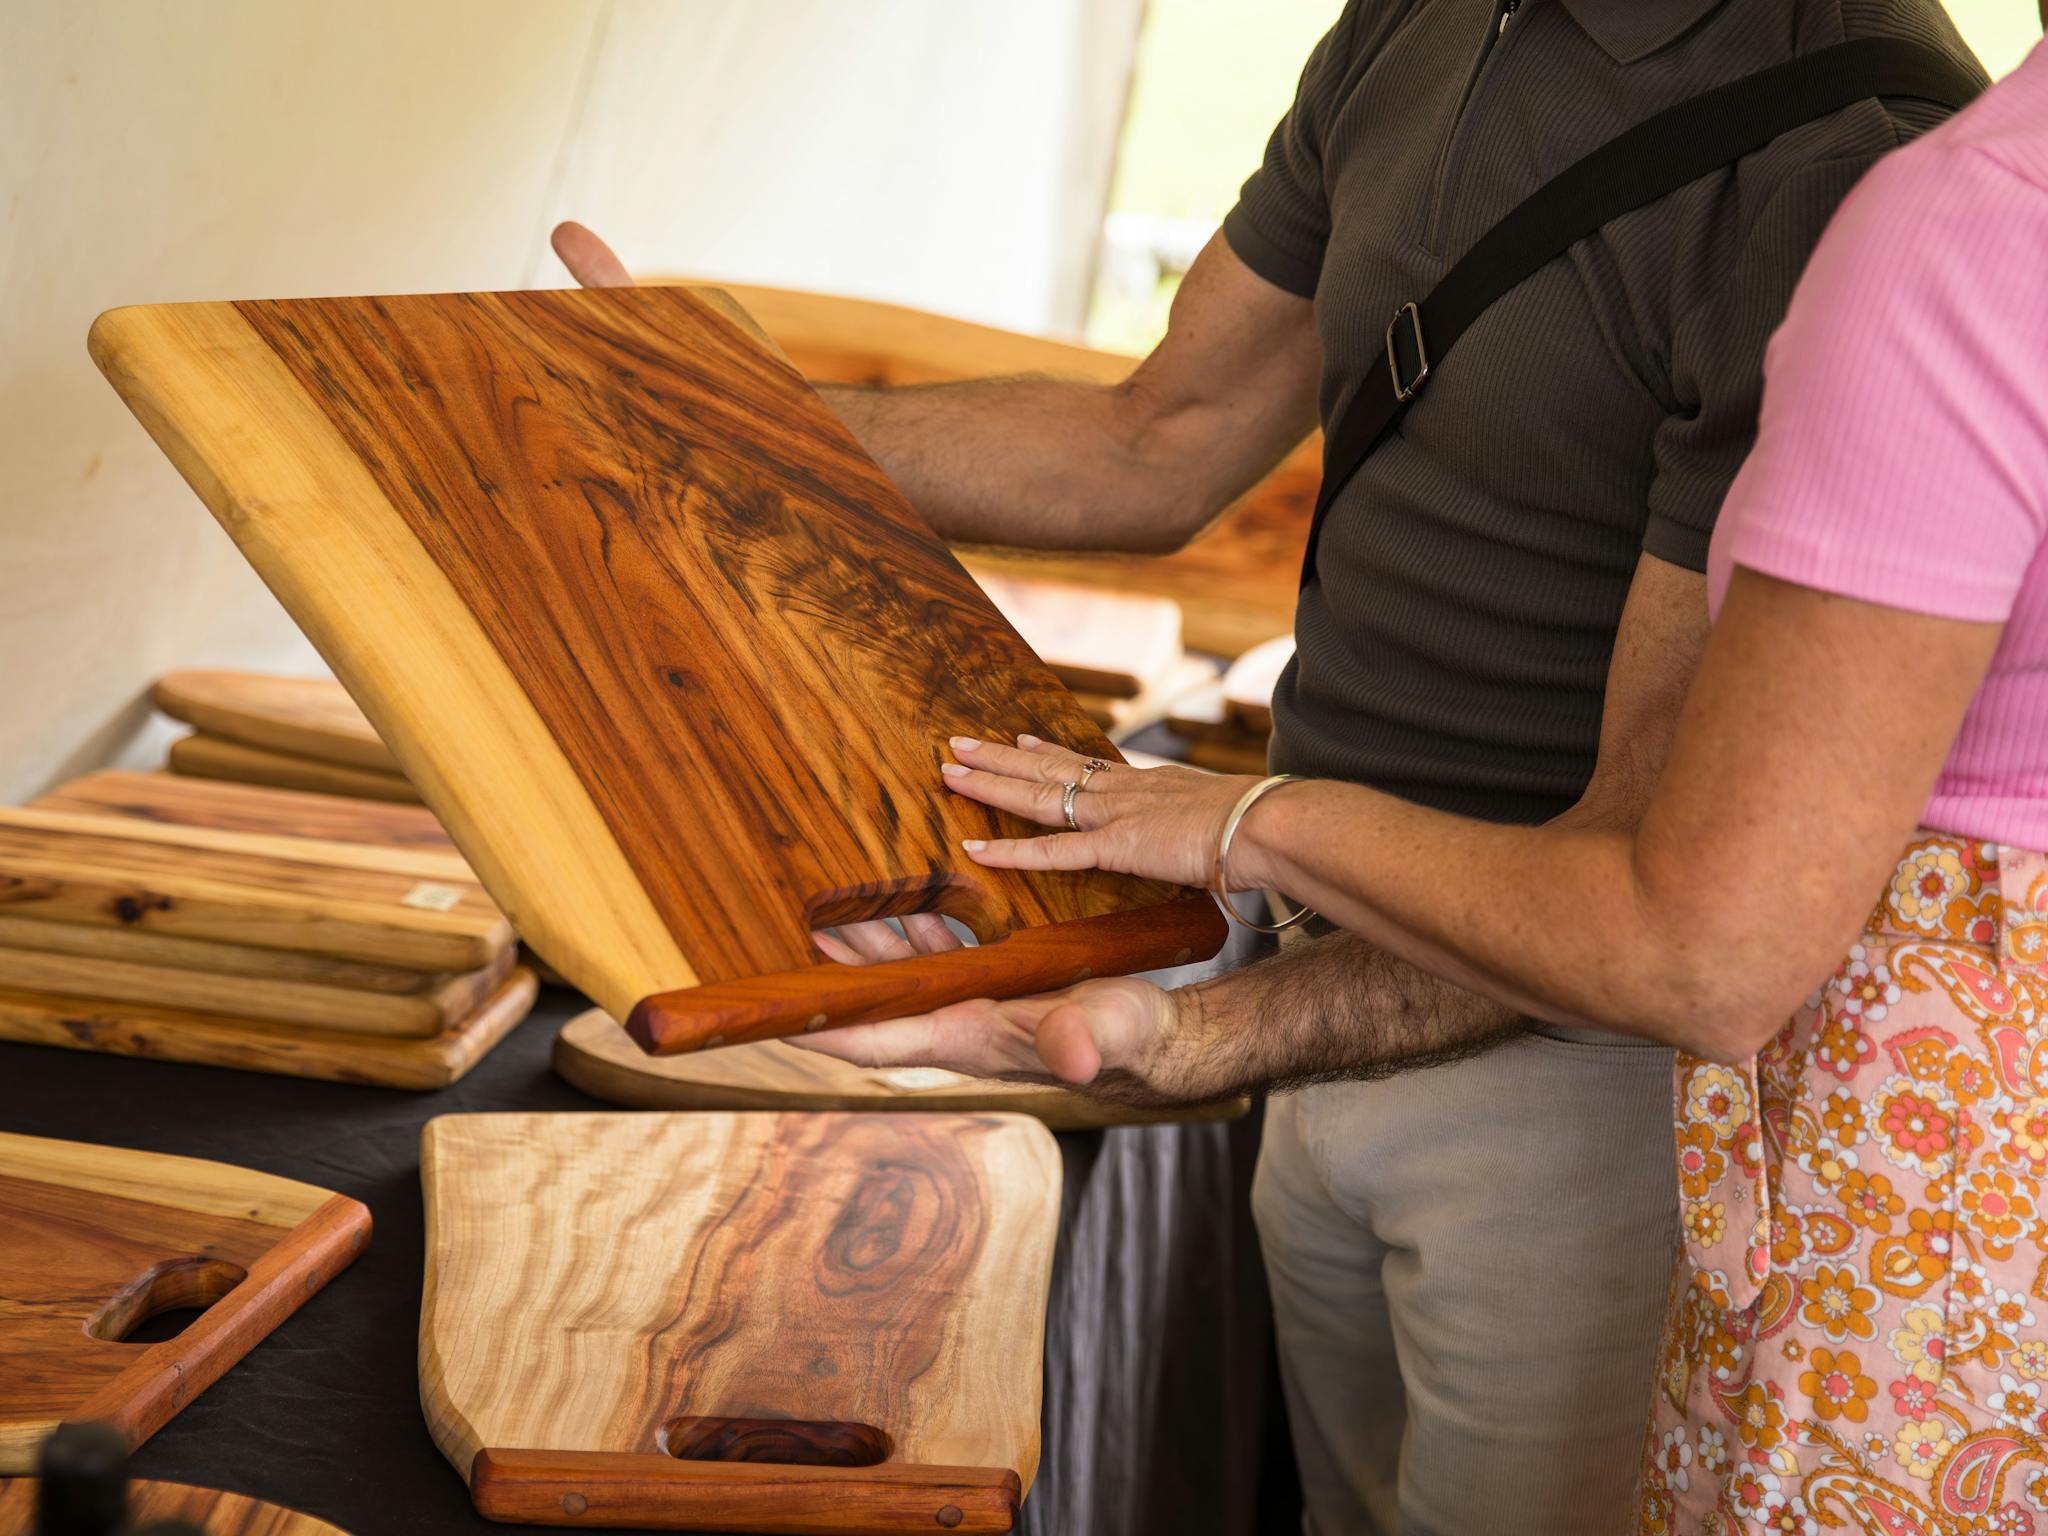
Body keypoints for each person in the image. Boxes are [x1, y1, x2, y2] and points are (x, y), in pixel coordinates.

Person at [555, 3, 1979, 1528]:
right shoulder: (1418, 19)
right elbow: (1155, 439)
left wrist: (1218, 973)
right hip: (1315, 1004)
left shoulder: (1853, 152)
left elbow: (1640, 884)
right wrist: (716, 425)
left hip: (1588, 1098)